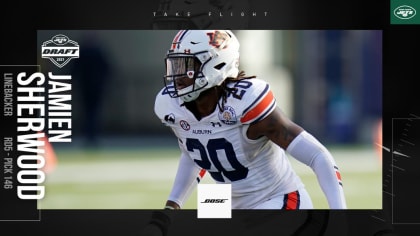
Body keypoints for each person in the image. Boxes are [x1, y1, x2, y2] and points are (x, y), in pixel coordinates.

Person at [153, 30, 347, 210]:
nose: (177, 75)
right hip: (225, 199)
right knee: (204, 208)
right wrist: (171, 207)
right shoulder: (170, 104)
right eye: (175, 64)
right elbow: (193, 155)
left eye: (186, 65)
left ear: (215, 65)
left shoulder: (246, 101)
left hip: (276, 197)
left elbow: (318, 156)